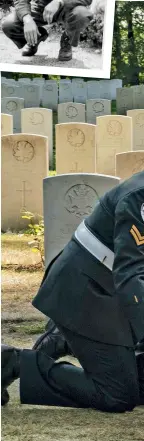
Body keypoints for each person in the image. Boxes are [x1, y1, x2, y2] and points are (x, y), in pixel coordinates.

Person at [1, 171, 144, 411]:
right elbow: (130, 274)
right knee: (117, 395)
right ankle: (12, 362)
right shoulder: (139, 198)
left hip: (119, 292)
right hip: (88, 289)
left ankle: (65, 337)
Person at [1, 0, 93, 60]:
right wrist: (27, 18)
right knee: (9, 24)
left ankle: (67, 39)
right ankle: (35, 38)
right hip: (40, 6)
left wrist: (59, 1)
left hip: (68, 6)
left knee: (82, 15)